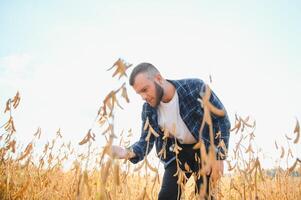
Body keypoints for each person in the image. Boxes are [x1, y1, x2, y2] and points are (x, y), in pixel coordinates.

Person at [110, 63, 231, 200]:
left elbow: (221, 118)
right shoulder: (148, 109)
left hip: (204, 150)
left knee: (206, 196)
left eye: (145, 89)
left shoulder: (195, 87)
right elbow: (146, 141)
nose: (143, 97)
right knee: (166, 197)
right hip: (176, 154)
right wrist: (126, 152)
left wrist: (219, 155)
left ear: (159, 79)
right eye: (139, 94)